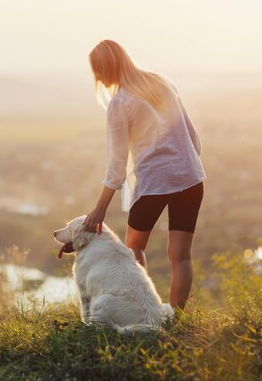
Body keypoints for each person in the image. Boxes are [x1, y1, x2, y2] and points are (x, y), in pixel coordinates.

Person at [82, 39, 206, 311]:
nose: (98, 78)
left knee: (134, 247)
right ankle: (176, 320)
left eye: (98, 71)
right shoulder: (162, 83)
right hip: (191, 178)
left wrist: (99, 209)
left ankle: (146, 311)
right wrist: (182, 167)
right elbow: (194, 139)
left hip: (153, 184)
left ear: (109, 66)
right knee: (181, 256)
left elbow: (116, 167)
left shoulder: (120, 103)